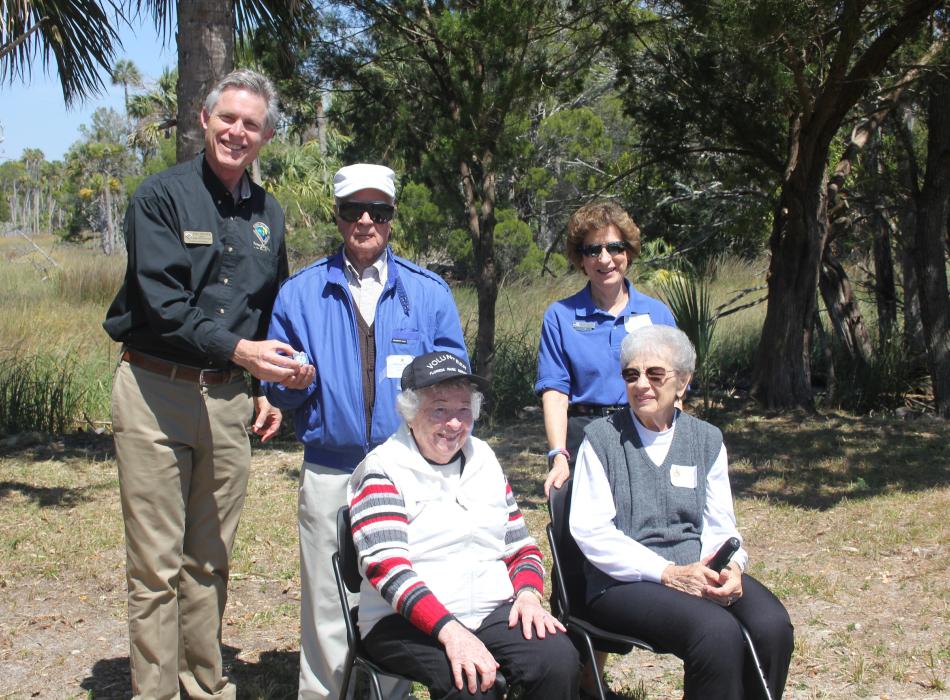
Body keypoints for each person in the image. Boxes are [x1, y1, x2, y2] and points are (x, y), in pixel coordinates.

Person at [104, 69, 307, 699]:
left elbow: (271, 308)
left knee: (210, 559)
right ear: (205, 120)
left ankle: (204, 685)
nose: (237, 132)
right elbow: (162, 304)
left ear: (265, 135)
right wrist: (244, 351)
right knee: (156, 566)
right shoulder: (160, 197)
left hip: (227, 400)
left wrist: (265, 387)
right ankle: (156, 691)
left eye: (251, 124)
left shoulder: (268, 214)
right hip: (154, 391)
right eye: (228, 119)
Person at [263, 164, 468, 700]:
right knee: (328, 603)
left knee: (398, 594)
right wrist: (290, 384)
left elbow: (455, 388)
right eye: (354, 209)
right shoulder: (300, 294)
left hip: (406, 472)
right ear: (338, 215)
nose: (366, 221)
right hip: (331, 468)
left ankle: (387, 695)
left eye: (378, 210)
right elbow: (279, 392)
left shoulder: (428, 294)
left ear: (392, 219)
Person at [569, 325, 794, 700]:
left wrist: (733, 567)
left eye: (655, 374)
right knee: (715, 632)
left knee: (772, 626)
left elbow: (721, 523)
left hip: (696, 568)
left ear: (683, 383)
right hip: (622, 581)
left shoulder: (706, 439)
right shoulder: (601, 439)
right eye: (631, 374)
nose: (642, 384)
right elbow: (592, 532)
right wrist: (668, 573)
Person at [348, 351, 580, 699]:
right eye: (439, 409)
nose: (454, 423)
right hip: (404, 620)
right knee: (472, 686)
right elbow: (389, 571)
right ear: (410, 413)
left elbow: (521, 548)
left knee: (558, 659)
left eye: (463, 410)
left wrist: (529, 596)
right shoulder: (382, 469)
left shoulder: (484, 458)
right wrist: (451, 632)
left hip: (488, 609)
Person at [536, 201, 675, 498]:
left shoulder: (658, 315)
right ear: (581, 259)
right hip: (584, 435)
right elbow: (556, 393)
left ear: (628, 252)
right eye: (592, 250)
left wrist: (673, 444)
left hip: (645, 428)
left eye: (614, 247)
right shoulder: (560, 317)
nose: (605, 259)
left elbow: (673, 392)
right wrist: (558, 455)